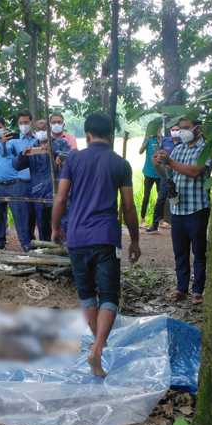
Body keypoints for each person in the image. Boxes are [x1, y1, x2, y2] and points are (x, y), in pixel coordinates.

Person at [52, 113, 140, 377]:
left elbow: (60, 198)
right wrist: (135, 239)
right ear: (111, 136)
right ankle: (98, 347)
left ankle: (96, 344)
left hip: (77, 237)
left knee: (87, 294)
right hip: (106, 238)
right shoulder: (120, 163)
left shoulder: (73, 159)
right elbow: (128, 205)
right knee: (109, 295)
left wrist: (56, 227)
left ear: (87, 135)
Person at [153, 117, 212, 305]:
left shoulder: (206, 149)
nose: (182, 132)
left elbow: (196, 171)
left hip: (197, 207)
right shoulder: (178, 149)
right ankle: (181, 288)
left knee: (199, 251)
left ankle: (197, 290)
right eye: (181, 128)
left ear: (198, 128)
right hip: (177, 208)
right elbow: (169, 174)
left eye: (186, 128)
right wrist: (158, 165)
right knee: (180, 252)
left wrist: (170, 161)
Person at [12, 119, 71, 241]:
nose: (41, 131)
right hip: (40, 193)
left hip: (59, 192)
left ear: (49, 130)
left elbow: (71, 158)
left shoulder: (61, 143)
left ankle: (65, 251)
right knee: (43, 225)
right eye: (38, 129)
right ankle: (47, 251)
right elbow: (16, 166)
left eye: (44, 128)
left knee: (63, 223)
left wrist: (54, 153)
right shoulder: (33, 147)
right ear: (34, 131)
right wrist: (22, 155)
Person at [0, 116, 32, 251]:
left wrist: (4, 143)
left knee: (19, 215)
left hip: (13, 184)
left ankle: (25, 244)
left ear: (4, 127)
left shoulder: (13, 142)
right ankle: (0, 243)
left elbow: (17, 159)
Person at [6, 110, 38, 243]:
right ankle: (25, 243)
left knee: (34, 215)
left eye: (26, 122)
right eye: (21, 123)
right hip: (21, 183)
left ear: (31, 122)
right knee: (22, 215)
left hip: (37, 183)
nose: (23, 125)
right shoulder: (13, 141)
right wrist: (2, 143)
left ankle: (35, 241)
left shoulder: (38, 140)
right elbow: (4, 153)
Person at [147, 123, 181, 232]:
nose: (175, 131)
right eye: (173, 129)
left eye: (177, 129)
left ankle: (176, 225)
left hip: (179, 175)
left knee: (178, 199)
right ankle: (154, 224)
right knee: (160, 199)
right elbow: (159, 155)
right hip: (165, 175)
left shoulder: (184, 143)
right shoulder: (166, 142)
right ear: (170, 130)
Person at [138, 129, 163, 228]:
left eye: (158, 127)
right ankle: (142, 220)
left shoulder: (164, 139)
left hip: (160, 172)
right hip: (148, 171)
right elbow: (140, 151)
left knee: (161, 197)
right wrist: (147, 141)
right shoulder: (148, 139)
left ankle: (161, 220)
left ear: (160, 128)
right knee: (146, 197)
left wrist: (160, 141)